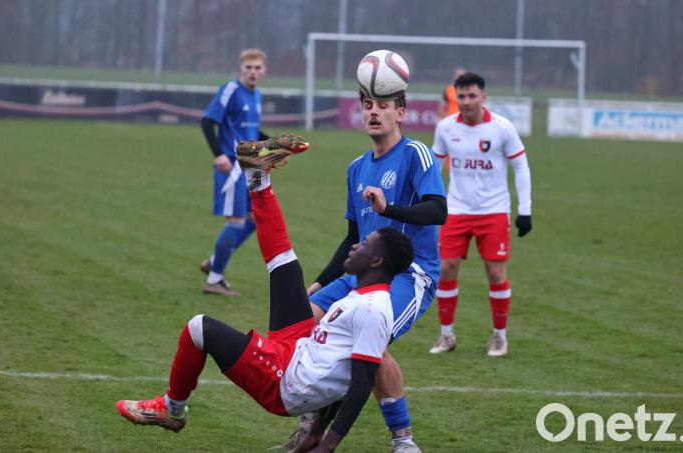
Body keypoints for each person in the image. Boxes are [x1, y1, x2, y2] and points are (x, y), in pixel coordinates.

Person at [116, 140, 416, 453]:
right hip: (297, 348)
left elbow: (359, 383)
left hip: (286, 382)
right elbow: (338, 371)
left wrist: (325, 444)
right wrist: (314, 433)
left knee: (198, 328)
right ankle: (257, 176)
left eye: (364, 246)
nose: (355, 246)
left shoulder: (373, 309)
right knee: (284, 262)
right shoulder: (360, 294)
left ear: (377, 262)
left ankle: (171, 409)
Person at [279, 91, 446, 453]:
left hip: (409, 273)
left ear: (400, 113)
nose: (374, 113)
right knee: (300, 325)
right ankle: (312, 425)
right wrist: (321, 281)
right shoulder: (356, 167)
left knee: (370, 341)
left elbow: (438, 211)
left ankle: (403, 442)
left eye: (383, 106)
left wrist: (390, 209)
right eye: (368, 106)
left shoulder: (416, 153)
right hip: (359, 275)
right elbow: (353, 238)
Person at [429, 72, 532, 357]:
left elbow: (521, 167)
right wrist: (427, 203)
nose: (466, 101)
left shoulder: (502, 128)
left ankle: (500, 337)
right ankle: (446, 336)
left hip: (493, 211)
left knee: (496, 273)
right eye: (461, 96)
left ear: (483, 97)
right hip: (457, 209)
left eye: (472, 96)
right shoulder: (446, 128)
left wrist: (525, 210)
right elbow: (434, 168)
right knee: (446, 269)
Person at [198, 48, 271, 296]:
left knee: (253, 221)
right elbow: (208, 121)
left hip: (249, 165)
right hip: (231, 166)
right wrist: (219, 155)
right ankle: (214, 279)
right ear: (241, 69)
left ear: (264, 71)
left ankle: (213, 262)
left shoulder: (257, 95)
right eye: (248, 68)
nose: (252, 72)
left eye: (257, 68)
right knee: (236, 221)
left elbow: (250, 134)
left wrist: (276, 145)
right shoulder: (230, 90)